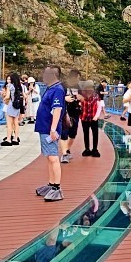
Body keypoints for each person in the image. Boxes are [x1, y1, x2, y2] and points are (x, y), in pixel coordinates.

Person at [34, 66, 66, 202]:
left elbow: (57, 109)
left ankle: (57, 187)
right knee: (49, 156)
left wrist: (53, 129)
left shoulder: (57, 90)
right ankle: (51, 183)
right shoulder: (51, 88)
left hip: (49, 129)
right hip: (44, 127)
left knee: (53, 157)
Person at [60, 70, 83, 164]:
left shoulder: (78, 86)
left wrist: (80, 97)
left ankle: (67, 149)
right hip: (65, 112)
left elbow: (83, 97)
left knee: (73, 134)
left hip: (75, 112)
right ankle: (64, 154)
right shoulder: (63, 85)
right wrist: (65, 98)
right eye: (77, 78)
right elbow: (56, 97)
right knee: (64, 133)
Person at [0, 72, 25, 146]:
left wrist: (4, 100)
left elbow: (7, 96)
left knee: (9, 124)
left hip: (11, 106)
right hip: (17, 107)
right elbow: (23, 96)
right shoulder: (19, 87)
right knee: (16, 123)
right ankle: (16, 139)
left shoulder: (9, 86)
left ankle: (8, 139)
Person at [80, 83, 102, 157]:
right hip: (84, 118)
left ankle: (95, 149)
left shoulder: (96, 96)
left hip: (93, 118)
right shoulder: (82, 96)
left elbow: (99, 107)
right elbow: (79, 104)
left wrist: (96, 116)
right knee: (86, 134)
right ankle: (87, 149)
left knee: (95, 134)